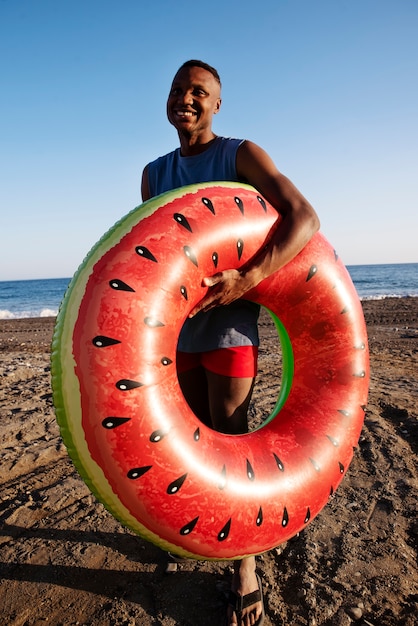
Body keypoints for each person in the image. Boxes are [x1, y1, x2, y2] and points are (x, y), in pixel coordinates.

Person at [141, 59, 319, 626]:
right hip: (179, 332)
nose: (186, 99)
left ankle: (244, 564)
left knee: (231, 439)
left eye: (200, 92)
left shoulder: (239, 155)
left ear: (217, 104)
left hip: (231, 327)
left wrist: (248, 278)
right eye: (178, 90)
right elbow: (152, 255)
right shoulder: (153, 172)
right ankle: (196, 528)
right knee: (190, 438)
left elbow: (304, 218)